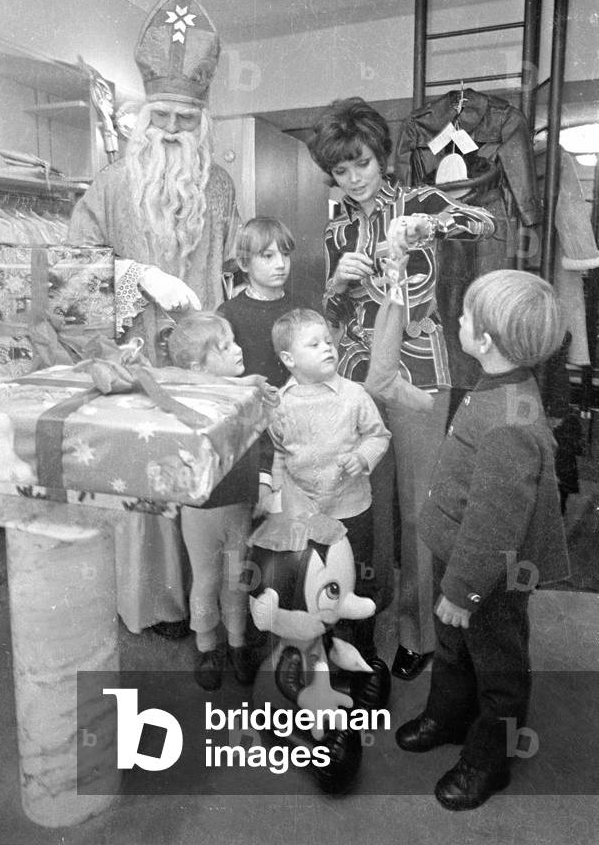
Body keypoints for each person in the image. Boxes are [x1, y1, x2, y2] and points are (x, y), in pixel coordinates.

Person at [68, 0, 241, 640]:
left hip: (201, 364)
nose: (171, 131)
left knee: (202, 484)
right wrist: (137, 275)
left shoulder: (218, 186)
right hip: (134, 361)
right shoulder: (111, 184)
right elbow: (71, 273)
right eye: (161, 117)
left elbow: (233, 267)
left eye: (185, 120)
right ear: (143, 119)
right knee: (143, 486)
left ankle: (210, 608)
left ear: (203, 122)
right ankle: (156, 606)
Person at [308, 96, 495, 681]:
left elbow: (485, 221)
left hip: (418, 374)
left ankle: (419, 632)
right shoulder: (337, 228)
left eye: (362, 163)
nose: (354, 178)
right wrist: (336, 286)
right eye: (341, 169)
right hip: (357, 377)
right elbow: (333, 319)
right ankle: (371, 608)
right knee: (367, 505)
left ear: (382, 156)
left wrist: (427, 226)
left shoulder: (417, 200)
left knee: (419, 510)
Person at [396, 271, 570, 810]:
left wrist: (463, 591)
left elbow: (495, 525)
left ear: (487, 341)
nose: (458, 320)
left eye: (466, 315)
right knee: (453, 645)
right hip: (461, 556)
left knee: (498, 666)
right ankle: (449, 716)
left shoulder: (509, 423)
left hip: (489, 572)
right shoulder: (497, 384)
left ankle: (489, 759)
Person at [268, 308, 392, 666]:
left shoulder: (354, 395)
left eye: (328, 341)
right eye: (314, 344)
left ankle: (364, 652)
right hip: (305, 518)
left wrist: (363, 457)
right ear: (289, 359)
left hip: (351, 510)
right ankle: (315, 653)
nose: (327, 347)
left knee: (359, 580)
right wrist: (278, 502)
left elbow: (378, 435)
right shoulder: (281, 404)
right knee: (310, 584)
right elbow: (276, 454)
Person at [167, 312, 258, 692]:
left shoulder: (247, 395)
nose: (237, 350)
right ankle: (207, 646)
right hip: (200, 512)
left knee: (237, 578)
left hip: (239, 505)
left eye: (234, 341)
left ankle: (237, 644)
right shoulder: (183, 404)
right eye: (225, 347)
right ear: (197, 368)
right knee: (205, 580)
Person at [217, 216, 296, 518]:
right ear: (244, 263)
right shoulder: (229, 313)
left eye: (285, 254)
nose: (281, 264)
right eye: (268, 256)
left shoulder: (300, 309)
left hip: (294, 424)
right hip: (251, 429)